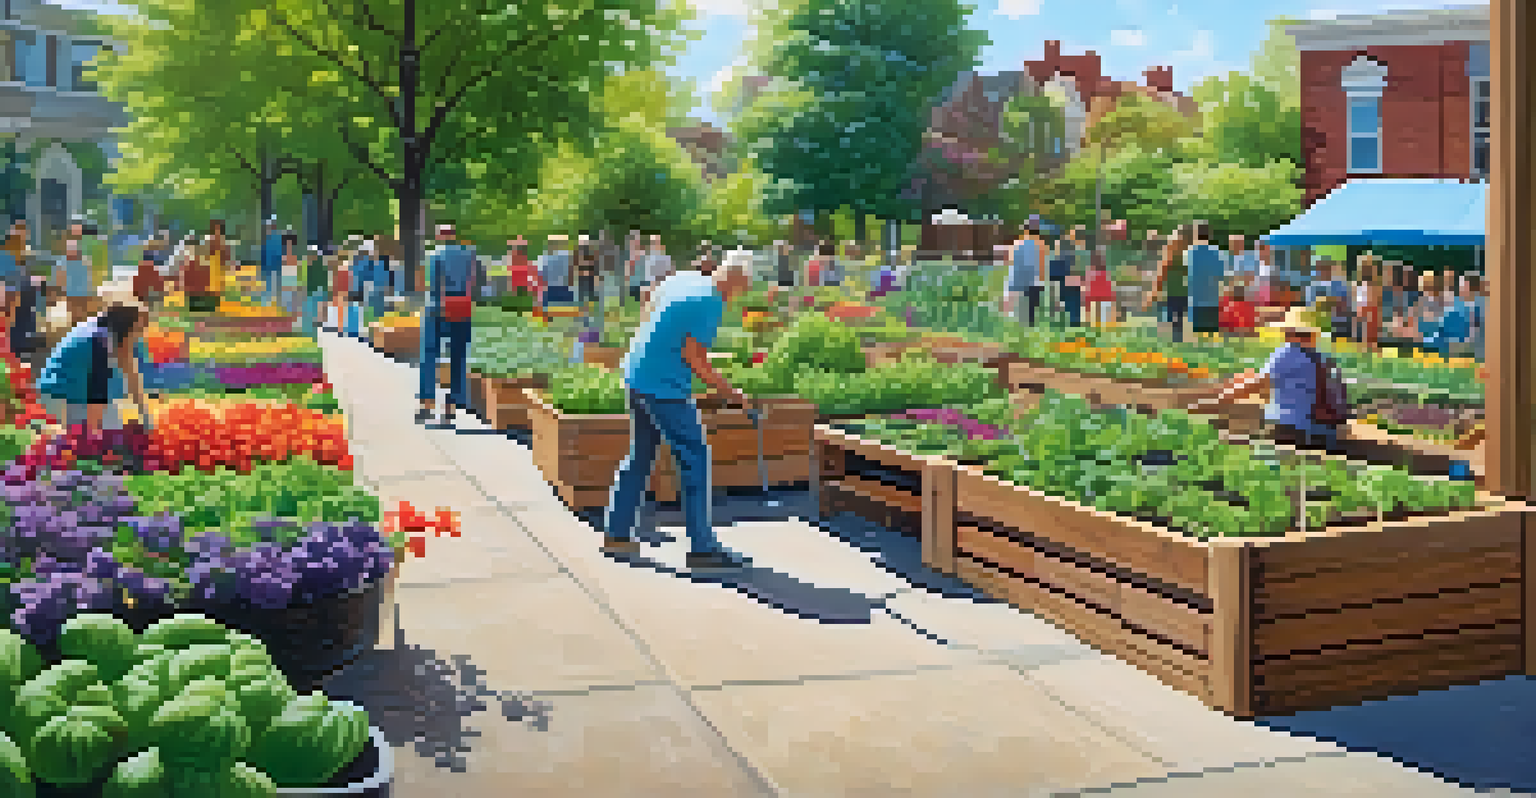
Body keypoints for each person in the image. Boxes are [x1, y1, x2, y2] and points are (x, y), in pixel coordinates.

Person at [602, 249, 756, 571]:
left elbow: (648, 300)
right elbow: (695, 358)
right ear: (737, 282)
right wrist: (732, 393)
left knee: (641, 454)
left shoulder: (685, 278)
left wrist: (658, 341)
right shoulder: (711, 303)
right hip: (663, 388)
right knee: (695, 458)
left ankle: (616, 533)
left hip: (637, 376)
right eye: (743, 287)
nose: (739, 296)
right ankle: (702, 547)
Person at [1190, 307, 1348, 452]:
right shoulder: (1321, 357)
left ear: (1289, 331)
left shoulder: (1288, 353)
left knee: (1228, 442)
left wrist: (1216, 402)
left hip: (1289, 429)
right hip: (1323, 431)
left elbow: (1256, 386)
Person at [36, 286, 152, 434]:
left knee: (113, 425)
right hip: (59, 397)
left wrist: (146, 417)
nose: (140, 336)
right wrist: (95, 436)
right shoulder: (100, 341)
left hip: (71, 393)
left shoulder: (104, 328)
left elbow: (130, 370)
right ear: (125, 327)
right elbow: (97, 395)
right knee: (107, 434)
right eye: (139, 329)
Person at [417, 224, 478, 425]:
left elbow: (433, 285)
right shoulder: (468, 256)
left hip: (436, 310)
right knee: (458, 357)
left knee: (429, 355)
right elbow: (478, 283)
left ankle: (427, 405)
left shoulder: (434, 255)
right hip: (462, 309)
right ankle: (451, 407)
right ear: (453, 236)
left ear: (438, 236)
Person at [1183, 222, 1227, 342]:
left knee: (1197, 340)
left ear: (1195, 235)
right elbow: (1221, 276)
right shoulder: (1217, 252)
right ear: (1210, 235)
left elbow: (1185, 274)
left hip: (1195, 300)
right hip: (1212, 300)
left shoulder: (1189, 253)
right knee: (1211, 340)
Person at [1146, 225, 1191, 342]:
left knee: (1176, 318)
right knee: (1175, 317)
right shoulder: (1173, 256)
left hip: (1181, 292)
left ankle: (1177, 338)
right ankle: (1176, 338)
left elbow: (1162, 275)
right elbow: (1162, 275)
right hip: (1175, 292)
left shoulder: (1185, 256)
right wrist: (1155, 291)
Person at [1004, 224, 1047, 325]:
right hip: (1031, 279)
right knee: (1030, 307)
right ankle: (1028, 323)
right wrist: (1041, 278)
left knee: (1018, 306)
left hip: (1017, 278)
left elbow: (1011, 261)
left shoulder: (1017, 244)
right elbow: (1041, 263)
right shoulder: (1039, 245)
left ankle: (1019, 323)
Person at [1353, 253, 1383, 350]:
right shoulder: (1358, 284)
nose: (1367, 270)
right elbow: (1357, 299)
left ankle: (1373, 346)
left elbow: (1378, 300)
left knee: (1372, 329)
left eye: (1370, 267)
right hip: (1362, 310)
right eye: (1365, 267)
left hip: (1373, 310)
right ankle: (1364, 345)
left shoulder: (1377, 284)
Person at [538, 234, 574, 309]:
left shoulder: (543, 258)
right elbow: (571, 274)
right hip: (562, 288)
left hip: (552, 289)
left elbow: (541, 276)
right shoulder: (567, 257)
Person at [1085, 247, 1116, 328]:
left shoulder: (1091, 273)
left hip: (1094, 298)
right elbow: (1109, 287)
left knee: (1097, 319)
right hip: (1105, 298)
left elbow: (1089, 288)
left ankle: (1095, 326)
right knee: (1104, 320)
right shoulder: (1105, 273)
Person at [260, 217, 284, 306]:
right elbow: (263, 254)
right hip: (269, 267)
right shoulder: (266, 239)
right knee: (269, 286)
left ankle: (276, 302)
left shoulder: (276, 239)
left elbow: (279, 253)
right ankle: (268, 302)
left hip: (275, 267)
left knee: (276, 286)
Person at [642, 235, 673, 304]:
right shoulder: (648, 258)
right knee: (645, 289)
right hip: (652, 283)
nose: (654, 245)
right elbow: (648, 274)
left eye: (656, 242)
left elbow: (668, 273)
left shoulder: (666, 258)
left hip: (663, 282)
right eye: (653, 243)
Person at [575, 233, 598, 305]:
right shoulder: (578, 252)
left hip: (589, 275)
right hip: (582, 275)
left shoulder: (591, 252)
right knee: (583, 291)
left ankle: (591, 300)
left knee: (589, 289)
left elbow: (594, 263)